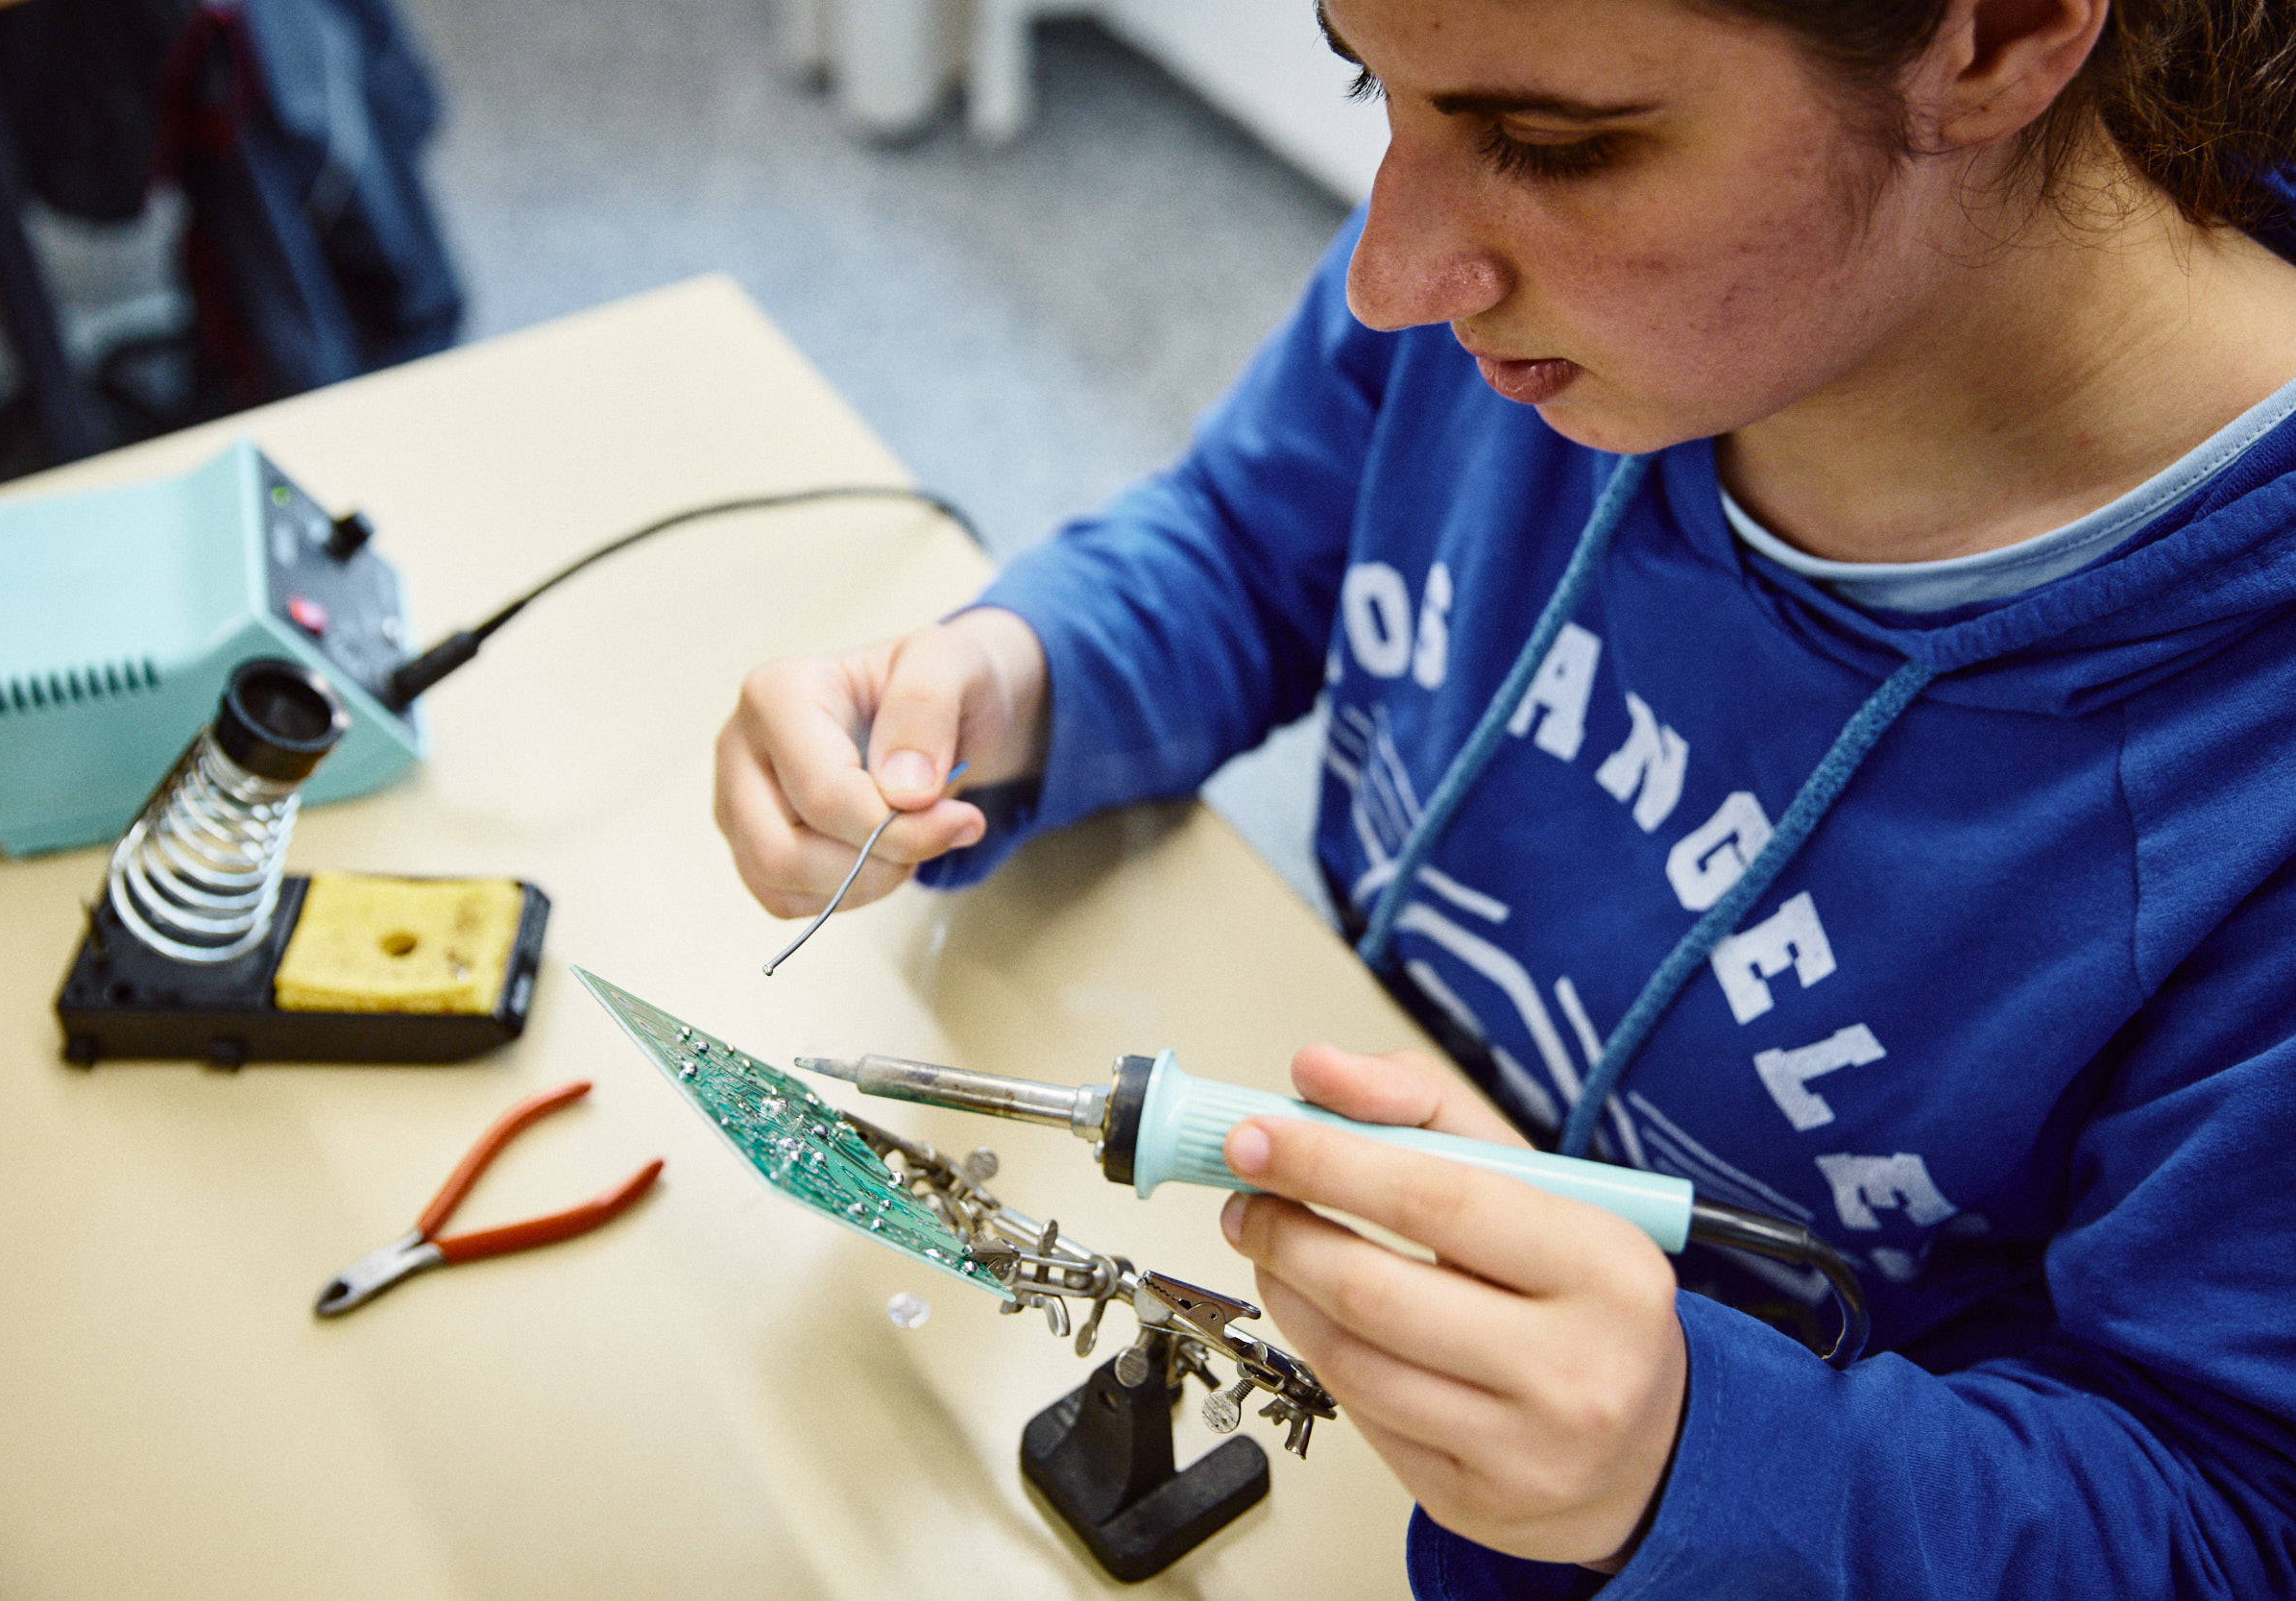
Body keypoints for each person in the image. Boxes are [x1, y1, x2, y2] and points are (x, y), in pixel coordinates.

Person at [714, 0, 2296, 1592]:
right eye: (1367, 77)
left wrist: (1701, 1457)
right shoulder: (1548, 313)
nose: (1388, 277)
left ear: (2002, 35)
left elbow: (2227, 1523)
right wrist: (1014, 679)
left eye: (1550, 145)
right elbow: (1250, 540)